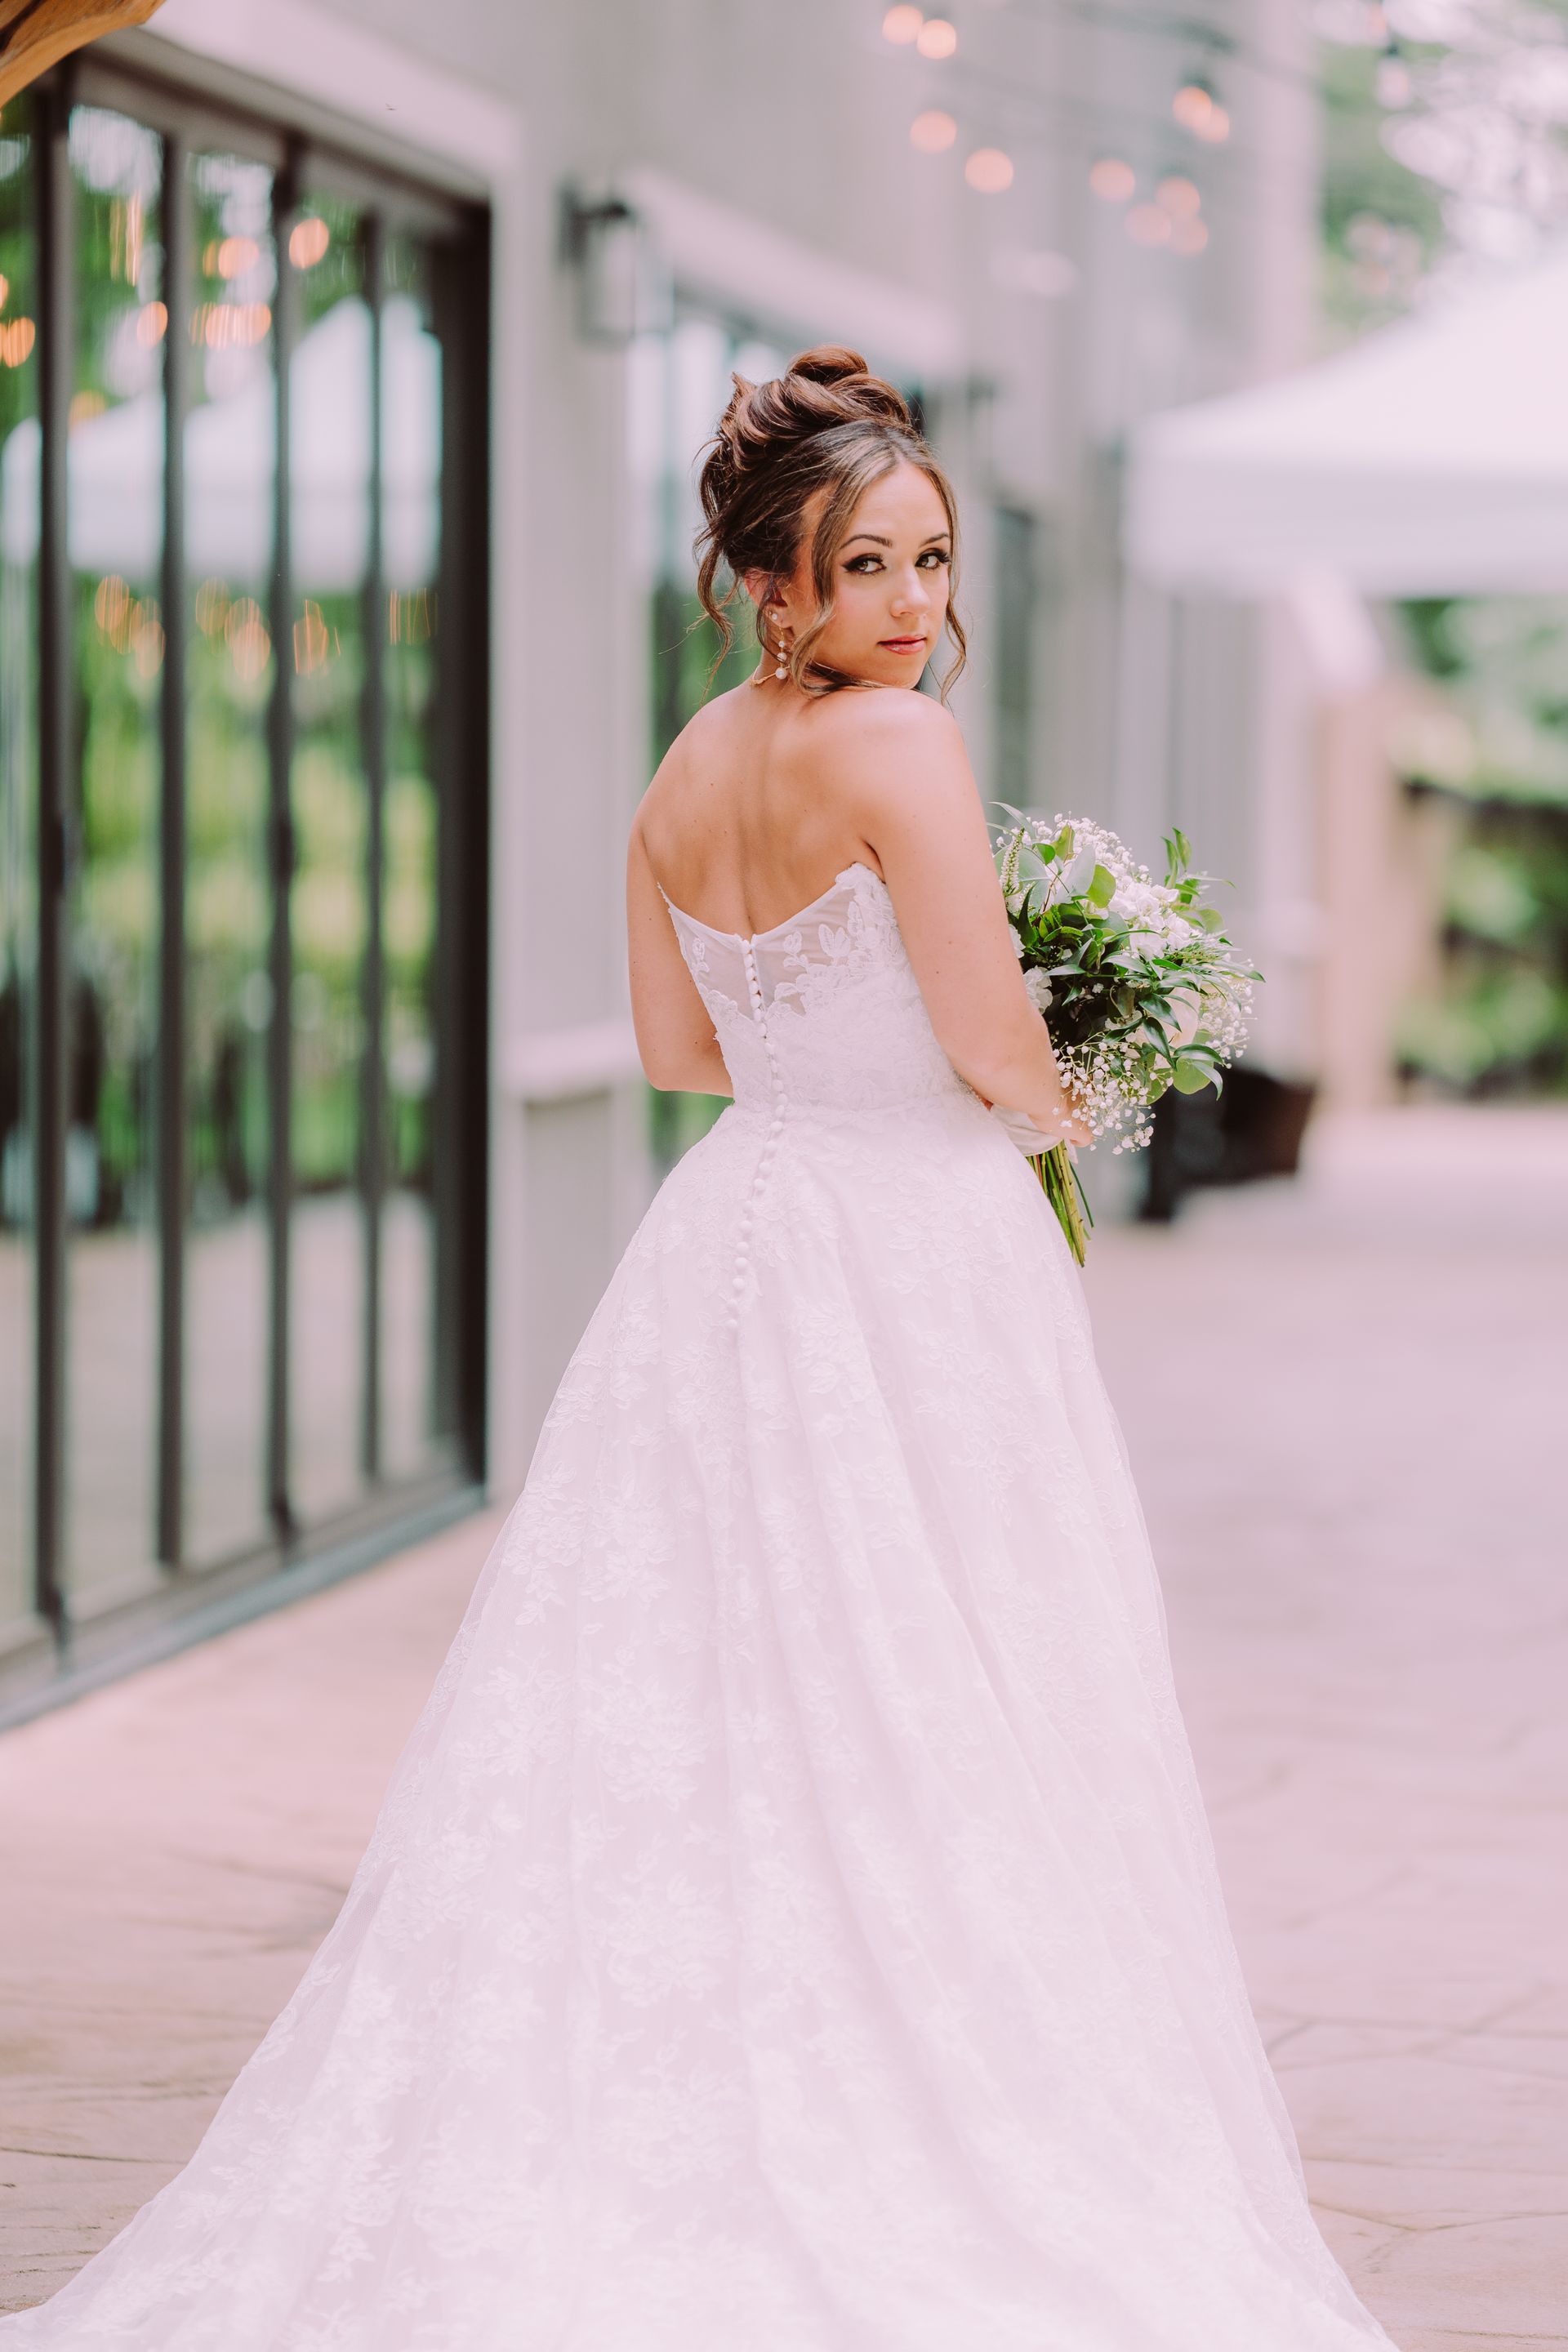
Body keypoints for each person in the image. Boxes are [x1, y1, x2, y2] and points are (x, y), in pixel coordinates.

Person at [0, 348, 1398, 2351]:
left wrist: (849, 1060)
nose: (911, 603)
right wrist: (1064, 1074)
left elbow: (678, 1054)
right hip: (911, 1252)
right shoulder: (901, 751)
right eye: (865, 565)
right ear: (770, 581)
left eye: (930, 561)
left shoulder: (686, 765)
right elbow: (997, 1056)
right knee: (946, 1667)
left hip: (733, 1236)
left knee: (716, 1673)